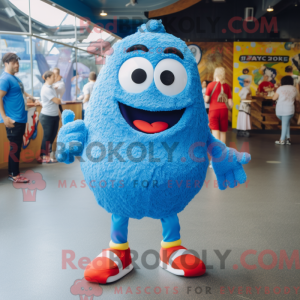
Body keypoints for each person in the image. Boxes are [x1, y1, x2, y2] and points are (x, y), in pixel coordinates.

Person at [0, 53, 38, 182]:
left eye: (18, 63)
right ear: (6, 63)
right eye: (14, 63)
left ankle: (14, 173)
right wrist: (5, 117)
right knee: (14, 147)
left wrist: (30, 97)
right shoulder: (5, 79)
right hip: (13, 120)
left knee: (17, 147)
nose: (17, 65)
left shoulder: (15, 79)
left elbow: (20, 91)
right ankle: (14, 175)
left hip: (20, 118)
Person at [37, 71, 61, 163]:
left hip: (54, 116)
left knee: (52, 137)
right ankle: (44, 157)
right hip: (47, 116)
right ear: (47, 78)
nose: (55, 78)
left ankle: (48, 157)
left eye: (55, 77)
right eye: (53, 77)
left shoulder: (51, 87)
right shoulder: (46, 89)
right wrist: (59, 99)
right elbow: (57, 101)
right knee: (47, 137)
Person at [204, 67, 233, 144]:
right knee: (223, 132)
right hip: (224, 111)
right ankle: (223, 151)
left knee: (215, 131)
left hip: (213, 111)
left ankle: (217, 152)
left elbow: (206, 100)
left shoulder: (210, 85)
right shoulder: (226, 86)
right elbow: (230, 104)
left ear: (215, 74)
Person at [272, 76, 300, 145]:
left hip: (280, 110)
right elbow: (298, 99)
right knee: (286, 123)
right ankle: (288, 139)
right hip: (289, 110)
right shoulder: (294, 89)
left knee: (284, 123)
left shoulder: (280, 88)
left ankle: (281, 140)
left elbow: (274, 98)